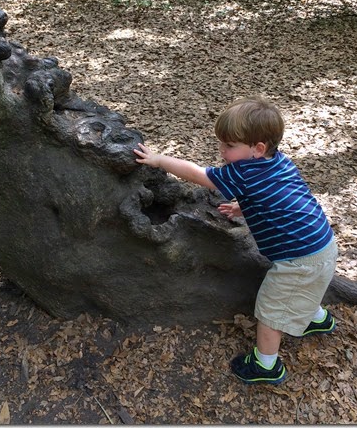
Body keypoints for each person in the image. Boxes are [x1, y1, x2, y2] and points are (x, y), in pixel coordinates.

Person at [134, 96, 338, 386]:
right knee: (305, 287)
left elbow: (198, 174)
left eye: (229, 146)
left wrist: (159, 160)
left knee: (271, 309)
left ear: (258, 148)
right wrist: (245, 206)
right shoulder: (278, 163)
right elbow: (278, 195)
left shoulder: (243, 172)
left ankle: (266, 365)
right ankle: (317, 320)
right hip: (322, 245)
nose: (222, 150)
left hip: (299, 259)